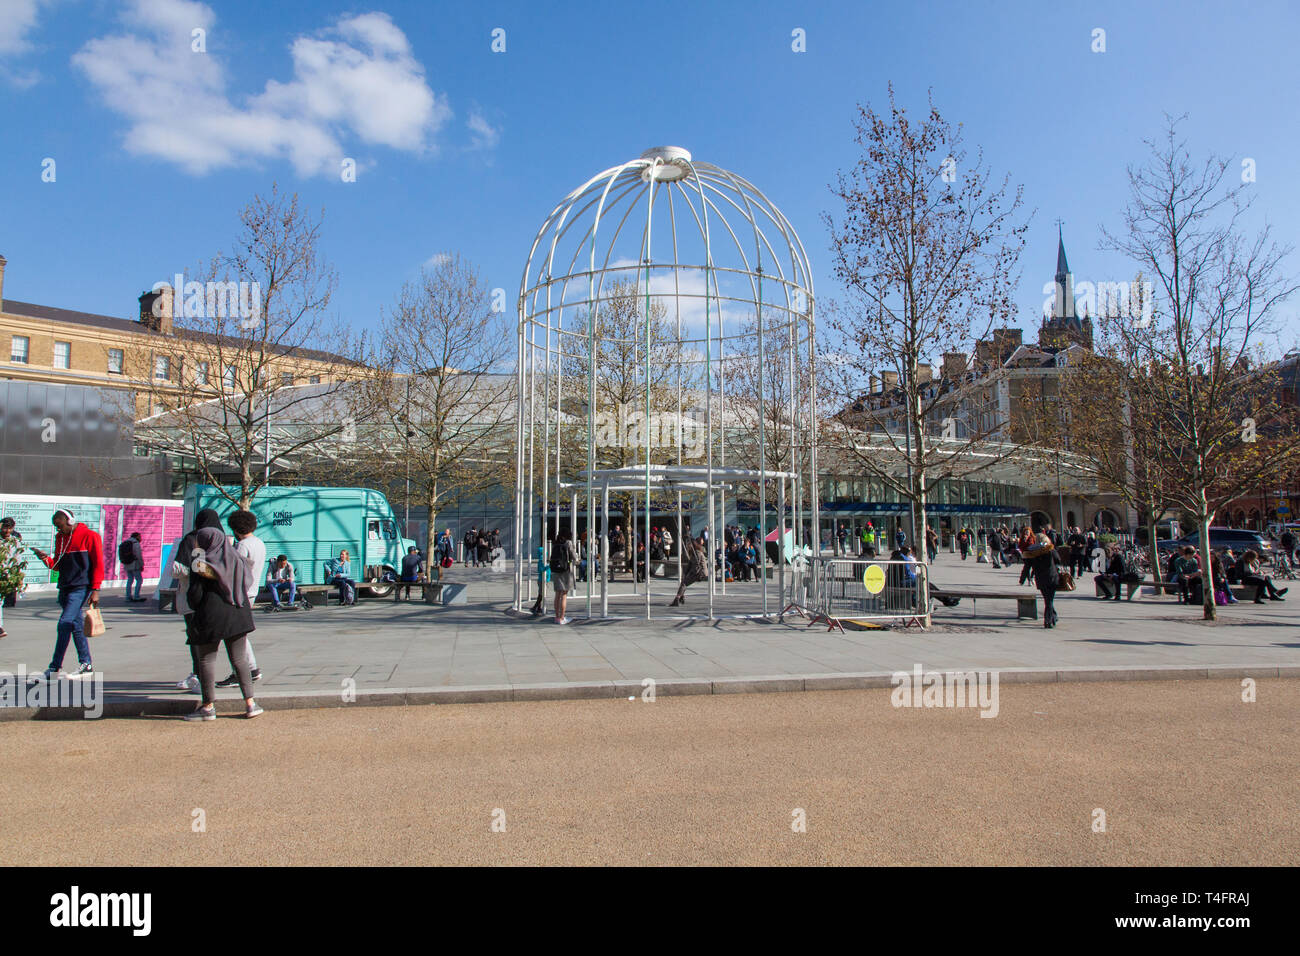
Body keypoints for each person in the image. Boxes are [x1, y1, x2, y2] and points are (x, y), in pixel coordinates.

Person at [178, 510, 262, 721]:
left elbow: (195, 595)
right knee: (240, 659)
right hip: (239, 612)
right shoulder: (236, 558)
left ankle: (208, 707)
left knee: (206, 660)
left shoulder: (201, 563)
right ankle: (251, 703)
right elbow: (248, 582)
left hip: (211, 615)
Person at [30, 508, 102, 680]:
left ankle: (54, 668)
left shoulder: (90, 536)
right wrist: (44, 558)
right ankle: (86, 664)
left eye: (60, 525)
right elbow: (56, 565)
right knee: (76, 626)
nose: (58, 529)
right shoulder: (60, 538)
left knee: (64, 623)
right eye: (56, 526)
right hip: (64, 587)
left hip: (80, 587)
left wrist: (96, 589)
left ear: (69, 521)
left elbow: (98, 563)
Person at [216, 510, 265, 686]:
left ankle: (244, 670)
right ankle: (251, 668)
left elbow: (233, 570)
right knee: (240, 633)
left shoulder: (243, 546)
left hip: (239, 592)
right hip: (251, 591)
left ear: (236, 529)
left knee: (236, 634)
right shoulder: (259, 543)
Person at [1023, 532, 1062, 629]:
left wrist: (1022, 579)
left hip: (1040, 578)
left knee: (1047, 600)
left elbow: (1027, 565)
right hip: (1051, 577)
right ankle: (1048, 620)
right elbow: (1058, 559)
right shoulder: (1049, 549)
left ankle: (1054, 616)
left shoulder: (1032, 552)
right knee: (1049, 600)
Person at [0, 516, 26, 639]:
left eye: (10, 528)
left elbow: (17, 559)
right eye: (5, 528)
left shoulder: (15, 542)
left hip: (6, 576)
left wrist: (18, 577)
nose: (7, 531)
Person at [669, 533, 709, 608]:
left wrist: (690, 574)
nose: (687, 545)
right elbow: (690, 564)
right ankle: (681, 597)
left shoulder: (696, 552)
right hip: (698, 571)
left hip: (700, 572)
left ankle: (677, 599)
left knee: (684, 583)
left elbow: (696, 565)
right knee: (684, 582)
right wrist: (686, 573)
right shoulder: (694, 552)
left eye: (689, 544)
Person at [549, 530, 578, 625]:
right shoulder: (568, 543)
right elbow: (574, 556)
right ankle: (562, 617)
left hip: (556, 571)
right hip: (565, 570)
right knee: (564, 595)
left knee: (557, 594)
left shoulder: (555, 543)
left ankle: (557, 617)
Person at [118, 532, 145, 602]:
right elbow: (138, 555)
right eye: (140, 536)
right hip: (134, 564)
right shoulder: (136, 543)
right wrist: (141, 564)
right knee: (139, 580)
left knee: (130, 580)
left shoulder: (126, 542)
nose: (141, 538)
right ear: (137, 537)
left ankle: (128, 596)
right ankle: (136, 596)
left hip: (127, 564)